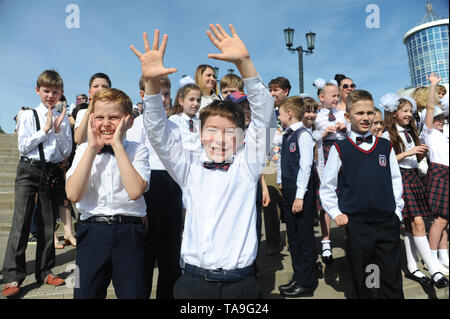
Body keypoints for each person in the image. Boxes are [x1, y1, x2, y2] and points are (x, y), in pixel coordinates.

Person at [131, 23, 273, 298]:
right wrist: (151, 84)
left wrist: (245, 64)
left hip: (241, 286)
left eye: (229, 133)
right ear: (198, 133)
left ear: (243, 138)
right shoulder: (189, 169)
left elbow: (265, 115)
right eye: (212, 131)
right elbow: (158, 132)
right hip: (192, 284)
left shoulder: (247, 166)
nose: (220, 139)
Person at [66, 88, 151, 299]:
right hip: (92, 232)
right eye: (100, 117)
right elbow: (73, 194)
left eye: (114, 117)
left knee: (135, 294)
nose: (106, 123)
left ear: (129, 121)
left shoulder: (138, 149)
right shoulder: (83, 150)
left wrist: (117, 146)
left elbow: (135, 191)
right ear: (92, 119)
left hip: (130, 232)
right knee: (84, 294)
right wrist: (92, 149)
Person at [320, 89, 404, 299]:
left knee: (392, 278)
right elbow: (327, 187)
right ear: (348, 117)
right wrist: (336, 212)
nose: (366, 117)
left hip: (387, 222)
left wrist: (398, 213)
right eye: (359, 113)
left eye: (369, 113)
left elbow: (395, 181)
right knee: (366, 278)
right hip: (358, 224)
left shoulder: (386, 146)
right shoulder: (340, 149)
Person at [2, 70, 72, 297]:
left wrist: (59, 131)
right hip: (28, 170)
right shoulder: (27, 115)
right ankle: (13, 277)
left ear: (61, 92)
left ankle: (45, 270)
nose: (50, 95)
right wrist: (44, 131)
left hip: (50, 172)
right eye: (46, 91)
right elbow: (23, 146)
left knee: (48, 223)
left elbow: (65, 152)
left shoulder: (63, 118)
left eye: (55, 91)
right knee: (21, 222)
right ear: (37, 90)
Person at [126, 76, 183, 299]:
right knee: (145, 257)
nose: (164, 99)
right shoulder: (136, 124)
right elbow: (131, 164)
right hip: (148, 189)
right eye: (158, 94)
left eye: (167, 94)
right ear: (143, 96)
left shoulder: (175, 127)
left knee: (170, 257)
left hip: (171, 190)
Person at [380, 92, 440, 286]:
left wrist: (420, 153)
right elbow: (384, 162)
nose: (408, 114)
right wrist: (410, 152)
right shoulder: (387, 134)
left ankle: (413, 267)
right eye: (404, 111)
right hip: (401, 178)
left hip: (414, 177)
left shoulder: (411, 132)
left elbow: (413, 158)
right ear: (393, 112)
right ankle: (434, 269)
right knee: (418, 223)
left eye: (410, 111)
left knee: (410, 227)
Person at [277, 96, 318, 298]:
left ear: (290, 113)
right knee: (292, 237)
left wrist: (300, 196)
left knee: (304, 237)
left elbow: (305, 166)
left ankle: (307, 282)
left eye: (281, 112)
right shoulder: (286, 135)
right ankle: (298, 275)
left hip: (300, 192)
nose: (279, 115)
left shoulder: (303, 135)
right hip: (289, 190)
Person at [313, 78, 348, 265]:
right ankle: (326, 241)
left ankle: (349, 234)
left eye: (337, 95)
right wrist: (323, 133)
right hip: (325, 154)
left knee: (345, 191)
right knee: (325, 196)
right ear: (321, 97)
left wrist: (345, 129)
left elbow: (351, 133)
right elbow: (311, 136)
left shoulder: (343, 114)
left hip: (342, 152)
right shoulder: (317, 116)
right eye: (333, 95)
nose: (336, 98)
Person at [420, 73, 449, 288]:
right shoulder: (428, 132)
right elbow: (430, 107)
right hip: (438, 173)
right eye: (438, 118)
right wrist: (433, 86)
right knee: (439, 220)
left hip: (447, 174)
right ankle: (431, 258)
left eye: (442, 118)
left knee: (445, 221)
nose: (440, 120)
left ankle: (443, 256)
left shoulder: (444, 133)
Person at [263, 76, 292, 255]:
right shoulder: (266, 110)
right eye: (271, 90)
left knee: (289, 202)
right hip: (270, 161)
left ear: (286, 91)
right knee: (270, 204)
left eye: (276, 90)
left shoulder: (294, 108)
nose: (272, 93)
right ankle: (273, 243)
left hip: (289, 160)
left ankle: (291, 240)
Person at [73, 73, 111, 145]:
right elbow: (78, 139)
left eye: (104, 86)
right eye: (95, 86)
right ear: (90, 92)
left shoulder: (115, 114)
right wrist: (88, 111)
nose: (100, 89)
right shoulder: (82, 113)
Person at [168, 83, 202, 154]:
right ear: (181, 101)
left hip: (198, 161)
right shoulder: (175, 120)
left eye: (198, 100)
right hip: (180, 159)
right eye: (191, 99)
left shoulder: (201, 123)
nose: (195, 103)